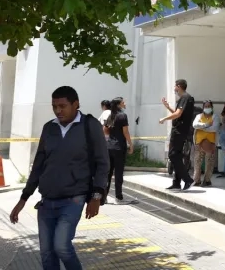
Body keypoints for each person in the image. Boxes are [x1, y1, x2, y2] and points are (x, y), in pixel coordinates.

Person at [9, 86, 109, 270]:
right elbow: (38, 166)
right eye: (54, 106)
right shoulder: (49, 128)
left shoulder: (89, 125)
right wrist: (23, 199)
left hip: (74, 199)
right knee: (47, 255)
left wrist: (97, 196)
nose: (58, 110)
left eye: (62, 106)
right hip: (47, 202)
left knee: (61, 247)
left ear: (76, 104)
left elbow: (103, 163)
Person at [160, 78, 196, 191]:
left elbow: (178, 114)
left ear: (179, 86)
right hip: (179, 131)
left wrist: (164, 118)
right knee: (177, 156)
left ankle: (188, 179)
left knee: (173, 155)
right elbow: (178, 114)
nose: (174, 88)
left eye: (175, 86)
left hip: (179, 131)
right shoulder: (183, 98)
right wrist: (168, 107)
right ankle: (176, 182)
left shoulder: (185, 97)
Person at [102, 96, 133, 205]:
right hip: (119, 147)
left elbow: (105, 130)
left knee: (108, 173)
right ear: (119, 104)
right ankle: (119, 197)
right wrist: (130, 144)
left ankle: (103, 198)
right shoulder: (122, 116)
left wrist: (113, 135)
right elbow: (126, 132)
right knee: (119, 173)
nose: (125, 103)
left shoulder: (111, 116)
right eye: (123, 102)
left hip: (109, 147)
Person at [192, 100, 218, 187]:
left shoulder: (215, 117)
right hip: (198, 143)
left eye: (209, 106)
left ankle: (207, 180)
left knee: (209, 162)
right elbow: (195, 125)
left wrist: (201, 127)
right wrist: (206, 125)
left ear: (212, 107)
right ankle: (197, 180)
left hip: (210, 144)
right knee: (197, 162)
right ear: (203, 108)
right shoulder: (198, 116)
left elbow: (214, 128)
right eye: (205, 106)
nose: (207, 108)